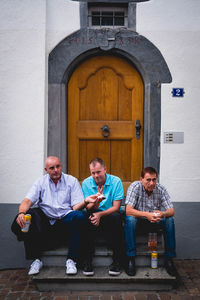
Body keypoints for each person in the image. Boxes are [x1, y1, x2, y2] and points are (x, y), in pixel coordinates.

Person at [12, 156, 95, 276]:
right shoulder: (41, 182)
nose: (56, 170)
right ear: (46, 170)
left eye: (58, 166)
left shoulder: (71, 181)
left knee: (80, 216)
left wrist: (86, 201)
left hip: (64, 220)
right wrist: (21, 213)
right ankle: (36, 259)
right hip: (45, 221)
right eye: (52, 168)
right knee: (28, 215)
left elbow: (76, 206)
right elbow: (27, 201)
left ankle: (71, 260)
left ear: (61, 166)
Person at [124, 166, 176, 277]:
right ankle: (131, 258)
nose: (152, 183)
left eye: (154, 179)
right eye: (148, 180)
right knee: (130, 219)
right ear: (141, 179)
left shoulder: (160, 189)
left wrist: (163, 214)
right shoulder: (135, 187)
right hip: (139, 222)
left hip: (154, 222)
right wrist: (147, 215)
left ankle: (169, 259)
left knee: (169, 220)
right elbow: (128, 210)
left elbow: (171, 210)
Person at [82, 158, 125, 276]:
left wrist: (100, 215)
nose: (96, 175)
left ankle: (117, 261)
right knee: (84, 217)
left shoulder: (116, 181)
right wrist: (97, 201)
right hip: (94, 214)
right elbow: (89, 208)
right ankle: (87, 260)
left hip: (110, 215)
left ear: (105, 170)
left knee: (117, 217)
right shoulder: (86, 183)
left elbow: (116, 207)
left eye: (98, 172)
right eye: (93, 173)